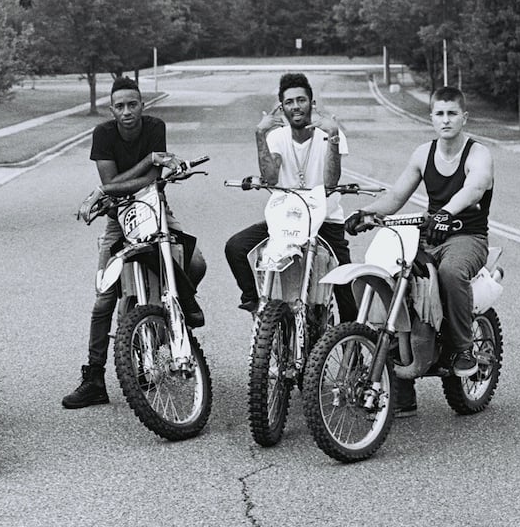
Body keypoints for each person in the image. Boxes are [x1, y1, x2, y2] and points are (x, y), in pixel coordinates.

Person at [345, 85, 494, 418]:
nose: (445, 120)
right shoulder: (422, 154)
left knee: (450, 273)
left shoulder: (477, 153)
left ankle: (461, 351)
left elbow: (476, 186)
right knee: (396, 281)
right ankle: (403, 387)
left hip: (466, 237)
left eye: (452, 113)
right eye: (439, 114)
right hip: (427, 236)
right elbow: (397, 195)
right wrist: (368, 214)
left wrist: (446, 212)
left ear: (464, 117)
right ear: (431, 118)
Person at [62, 76, 207, 410]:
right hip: (118, 217)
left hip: (155, 208)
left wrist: (115, 185)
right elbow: (113, 184)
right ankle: (94, 378)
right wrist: (147, 161)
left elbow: (153, 181)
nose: (127, 111)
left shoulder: (155, 126)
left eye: (132, 104)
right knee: (103, 300)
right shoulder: (104, 134)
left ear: (143, 105)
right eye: (120, 106)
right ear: (112, 110)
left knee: (195, 261)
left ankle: (177, 310)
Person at [224, 73, 355, 322]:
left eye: (301, 100)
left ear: (312, 103)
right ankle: (257, 306)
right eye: (289, 102)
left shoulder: (330, 133)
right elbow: (271, 178)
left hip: (325, 220)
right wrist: (259, 135)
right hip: (286, 220)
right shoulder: (277, 136)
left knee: (344, 282)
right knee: (236, 247)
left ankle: (352, 347)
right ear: (281, 107)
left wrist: (334, 137)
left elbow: (331, 181)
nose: (296, 107)